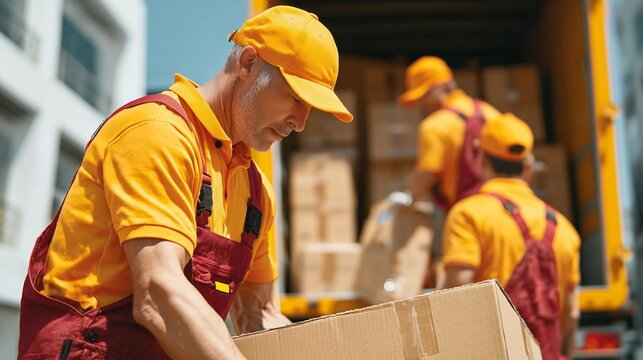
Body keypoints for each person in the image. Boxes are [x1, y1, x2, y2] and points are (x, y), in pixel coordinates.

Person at [18, 5, 352, 360]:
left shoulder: (255, 194)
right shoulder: (157, 134)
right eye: (296, 98)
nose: (301, 123)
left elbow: (260, 315)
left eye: (311, 108)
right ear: (248, 64)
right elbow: (159, 294)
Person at [439, 114, 580, 360]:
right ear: (528, 167)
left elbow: (457, 291)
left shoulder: (468, 214)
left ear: (480, 159)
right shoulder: (564, 228)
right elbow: (571, 313)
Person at [398, 56, 501, 210]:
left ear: (442, 87)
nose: (421, 104)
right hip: (501, 208)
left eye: (424, 96)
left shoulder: (434, 126)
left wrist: (407, 193)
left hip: (465, 213)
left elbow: (428, 174)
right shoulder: (490, 112)